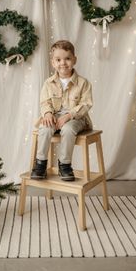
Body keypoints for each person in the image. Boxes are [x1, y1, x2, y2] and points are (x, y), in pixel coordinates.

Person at [31, 40, 93, 181]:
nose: (63, 63)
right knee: (45, 128)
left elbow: (86, 104)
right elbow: (45, 101)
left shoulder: (83, 83)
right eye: (58, 60)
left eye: (67, 59)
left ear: (74, 60)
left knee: (68, 129)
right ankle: (40, 164)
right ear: (53, 62)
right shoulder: (48, 83)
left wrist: (69, 116)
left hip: (76, 118)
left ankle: (64, 165)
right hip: (55, 116)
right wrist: (47, 113)